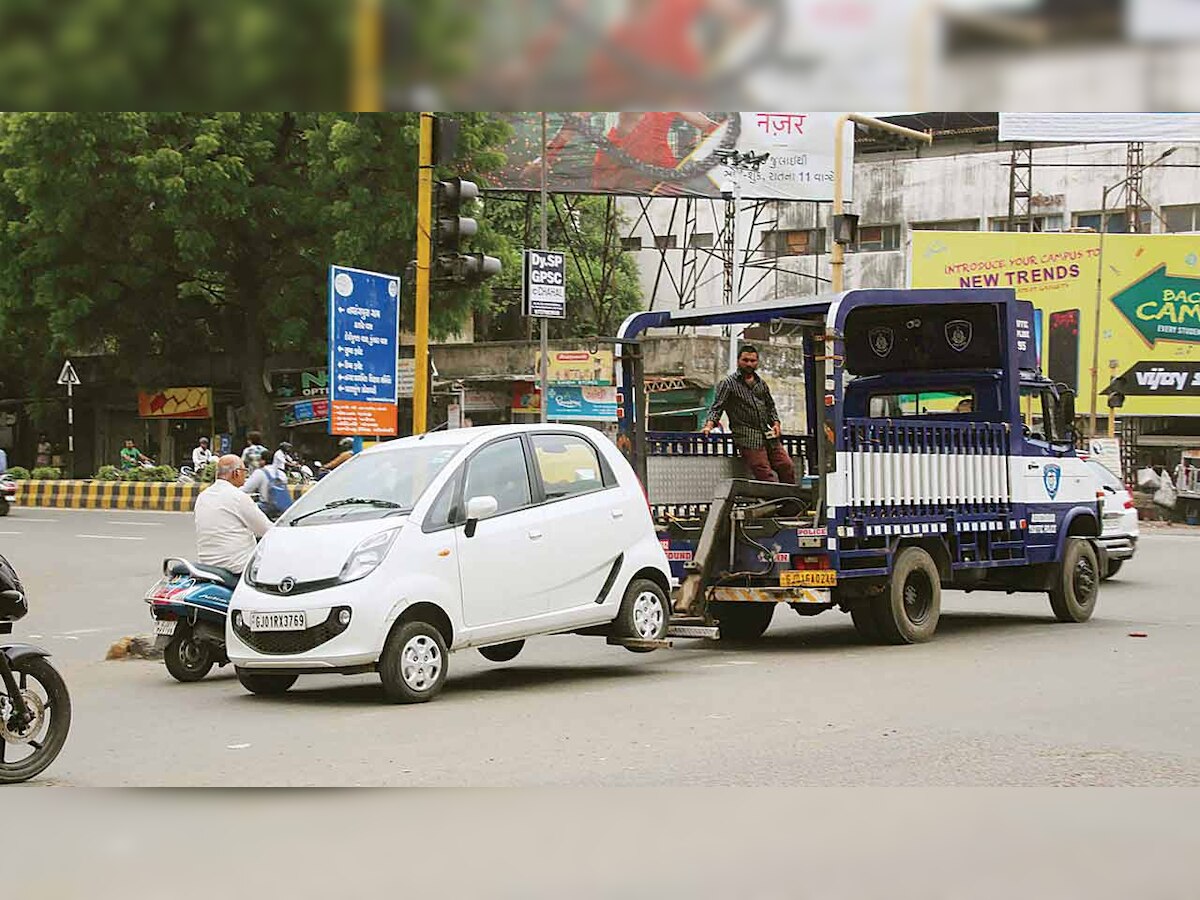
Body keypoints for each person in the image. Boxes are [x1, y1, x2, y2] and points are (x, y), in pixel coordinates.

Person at [702, 344, 796, 484]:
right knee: (764, 472)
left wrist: (776, 424)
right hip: (747, 435)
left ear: (757, 362)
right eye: (745, 360)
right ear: (738, 361)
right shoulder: (728, 383)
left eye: (752, 361)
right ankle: (775, 502)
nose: (749, 364)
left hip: (767, 434)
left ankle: (790, 501)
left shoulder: (761, 384)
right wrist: (709, 426)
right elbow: (717, 407)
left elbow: (770, 406)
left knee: (786, 466)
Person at [193, 455, 272, 574]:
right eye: (245, 471)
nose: (246, 475)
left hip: (207, 564)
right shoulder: (238, 497)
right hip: (237, 567)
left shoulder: (203, 496)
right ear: (236, 473)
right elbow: (267, 530)